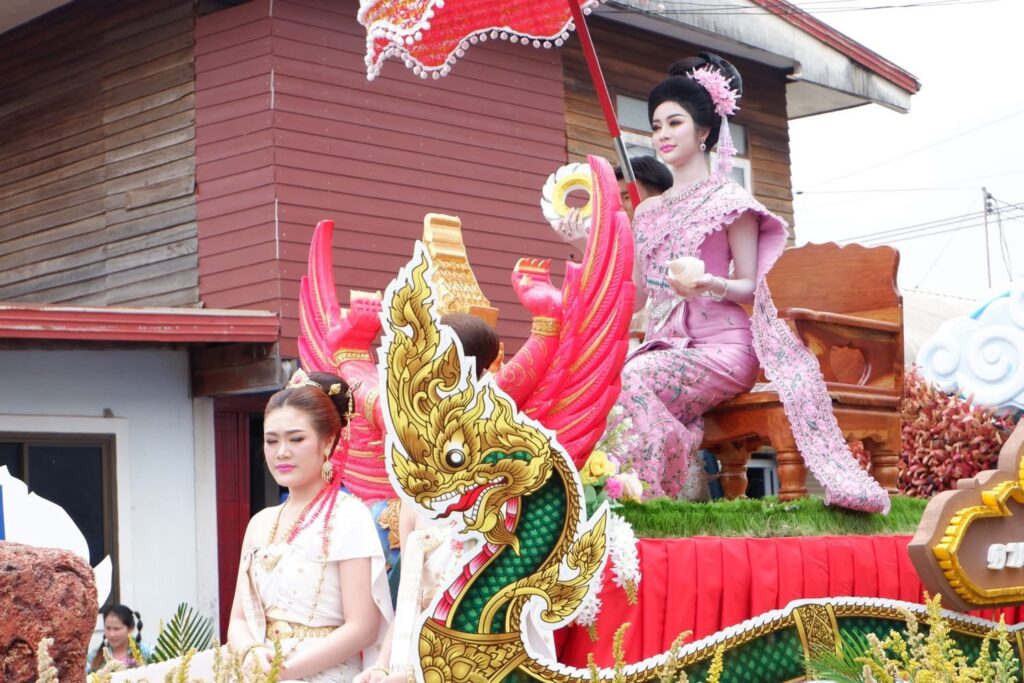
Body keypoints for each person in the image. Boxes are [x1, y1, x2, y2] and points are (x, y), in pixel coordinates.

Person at [559, 54, 888, 513]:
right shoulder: (649, 212)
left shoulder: (730, 201)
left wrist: (709, 282)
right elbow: (634, 297)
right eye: (656, 126)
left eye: (675, 123)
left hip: (724, 349)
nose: (662, 134)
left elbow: (750, 287)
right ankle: (664, 482)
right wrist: (587, 245)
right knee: (599, 379)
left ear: (704, 131)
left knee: (630, 377)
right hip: (664, 346)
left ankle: (656, 494)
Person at [223, 369, 393, 681]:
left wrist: (284, 671)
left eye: (296, 439)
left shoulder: (348, 515)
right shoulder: (259, 523)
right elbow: (238, 620)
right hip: (259, 670)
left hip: (323, 672)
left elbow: (363, 626)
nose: (281, 452)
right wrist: (250, 651)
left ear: (327, 442)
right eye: (271, 441)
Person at [86, 604, 152, 673]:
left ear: (130, 628)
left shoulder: (146, 652)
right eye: (108, 628)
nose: (112, 634)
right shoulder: (94, 656)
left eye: (116, 629)